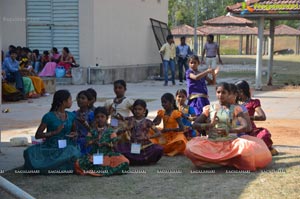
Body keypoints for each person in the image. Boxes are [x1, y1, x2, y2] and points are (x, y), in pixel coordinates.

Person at [184, 82, 272, 171]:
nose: (220, 95)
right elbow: (195, 124)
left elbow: (245, 126)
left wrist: (229, 130)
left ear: (229, 94)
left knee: (249, 149)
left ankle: (220, 161)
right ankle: (224, 161)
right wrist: (208, 125)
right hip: (212, 143)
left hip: (230, 143)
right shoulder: (210, 108)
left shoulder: (236, 109)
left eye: (223, 92)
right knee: (190, 148)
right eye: (218, 92)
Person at [23, 90, 81, 173]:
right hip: (51, 147)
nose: (71, 102)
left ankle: (53, 166)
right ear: (64, 102)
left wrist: (75, 134)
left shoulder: (71, 116)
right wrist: (54, 132)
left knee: (73, 153)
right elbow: (38, 135)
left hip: (67, 147)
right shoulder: (49, 116)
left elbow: (75, 132)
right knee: (29, 152)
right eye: (70, 99)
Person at [74, 106, 129, 177]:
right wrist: (94, 141)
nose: (100, 119)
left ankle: (100, 171)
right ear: (95, 118)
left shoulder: (110, 131)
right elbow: (87, 144)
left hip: (107, 155)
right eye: (97, 117)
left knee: (125, 161)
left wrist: (106, 144)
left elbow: (115, 145)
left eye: (102, 117)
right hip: (94, 155)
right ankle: (101, 171)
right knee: (78, 163)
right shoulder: (92, 131)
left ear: (106, 118)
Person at [235, 80, 278, 156]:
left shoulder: (253, 103)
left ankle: (267, 149)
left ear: (241, 91)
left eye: (235, 91)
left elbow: (262, 116)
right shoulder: (234, 103)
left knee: (263, 136)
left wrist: (247, 117)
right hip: (237, 129)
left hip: (250, 129)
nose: (234, 94)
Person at [116, 99, 163, 165]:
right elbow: (118, 132)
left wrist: (149, 136)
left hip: (145, 145)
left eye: (140, 109)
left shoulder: (148, 122)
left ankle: (136, 161)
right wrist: (127, 128)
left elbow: (159, 133)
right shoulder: (129, 119)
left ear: (144, 110)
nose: (137, 111)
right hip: (132, 145)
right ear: (133, 110)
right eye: (135, 109)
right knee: (118, 149)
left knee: (158, 149)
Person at [74, 90, 94, 155]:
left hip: (87, 142)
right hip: (75, 141)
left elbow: (94, 132)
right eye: (79, 98)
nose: (80, 100)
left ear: (89, 101)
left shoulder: (92, 115)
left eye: (83, 98)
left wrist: (85, 124)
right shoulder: (73, 114)